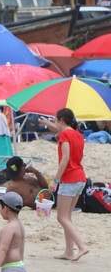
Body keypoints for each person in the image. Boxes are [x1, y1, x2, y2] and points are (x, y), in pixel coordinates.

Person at [48, 107, 90, 261]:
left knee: (61, 217)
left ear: (61, 120)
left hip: (70, 178)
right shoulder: (77, 134)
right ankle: (69, 251)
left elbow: (65, 158)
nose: (54, 123)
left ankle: (82, 246)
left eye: (55, 120)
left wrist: (55, 180)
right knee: (67, 217)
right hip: (80, 178)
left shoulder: (66, 134)